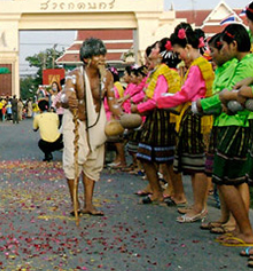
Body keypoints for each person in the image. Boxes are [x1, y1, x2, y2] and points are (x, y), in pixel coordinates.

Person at [202, 24, 253, 245]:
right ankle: (236, 225)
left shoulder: (246, 64)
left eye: (222, 46)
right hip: (226, 122)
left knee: (230, 179)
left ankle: (244, 230)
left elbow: (237, 97)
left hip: (238, 124)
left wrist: (226, 98)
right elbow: (226, 94)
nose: (220, 51)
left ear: (233, 44)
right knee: (229, 179)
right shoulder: (238, 64)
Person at [155, 23, 214, 223]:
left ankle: (199, 206)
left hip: (195, 118)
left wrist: (162, 100)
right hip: (195, 116)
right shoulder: (198, 65)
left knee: (197, 166)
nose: (178, 56)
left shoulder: (197, 67)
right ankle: (199, 205)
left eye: (179, 52)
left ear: (188, 48)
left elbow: (185, 94)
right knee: (195, 164)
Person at [61, 37, 121, 216]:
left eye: (103, 54)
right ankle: (75, 202)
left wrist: (123, 116)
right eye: (98, 56)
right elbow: (65, 97)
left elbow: (112, 102)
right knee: (72, 160)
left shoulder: (107, 76)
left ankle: (88, 203)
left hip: (97, 121)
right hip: (75, 121)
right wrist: (67, 101)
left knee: (94, 162)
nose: (102, 59)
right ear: (87, 59)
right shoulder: (75, 75)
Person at [132, 38, 183, 206]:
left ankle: (165, 192)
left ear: (161, 55)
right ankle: (167, 192)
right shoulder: (162, 71)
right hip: (162, 116)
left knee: (152, 157)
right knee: (163, 159)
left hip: (161, 116)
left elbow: (155, 100)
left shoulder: (163, 72)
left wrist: (137, 109)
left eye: (154, 48)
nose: (151, 51)